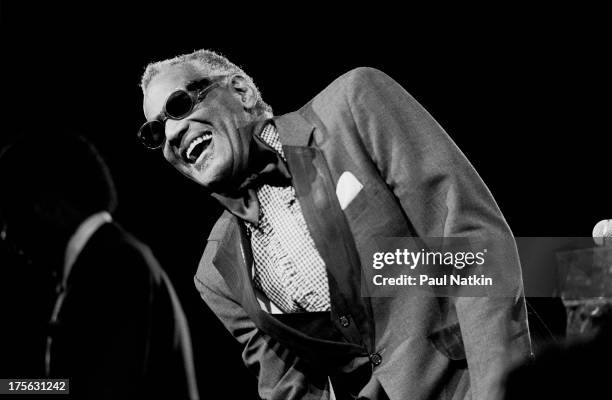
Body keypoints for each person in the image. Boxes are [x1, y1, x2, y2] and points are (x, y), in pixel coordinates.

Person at [139, 50, 532, 400]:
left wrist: (496, 387)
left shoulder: (353, 104)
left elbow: (470, 243)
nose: (172, 134)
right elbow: (288, 390)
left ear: (240, 90)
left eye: (180, 104)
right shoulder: (215, 273)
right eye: (155, 132)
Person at [0, 134, 199, 399]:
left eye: (10, 214)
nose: (6, 234)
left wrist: (11, 387)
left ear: (50, 206)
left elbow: (94, 387)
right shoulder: (109, 261)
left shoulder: (114, 268)